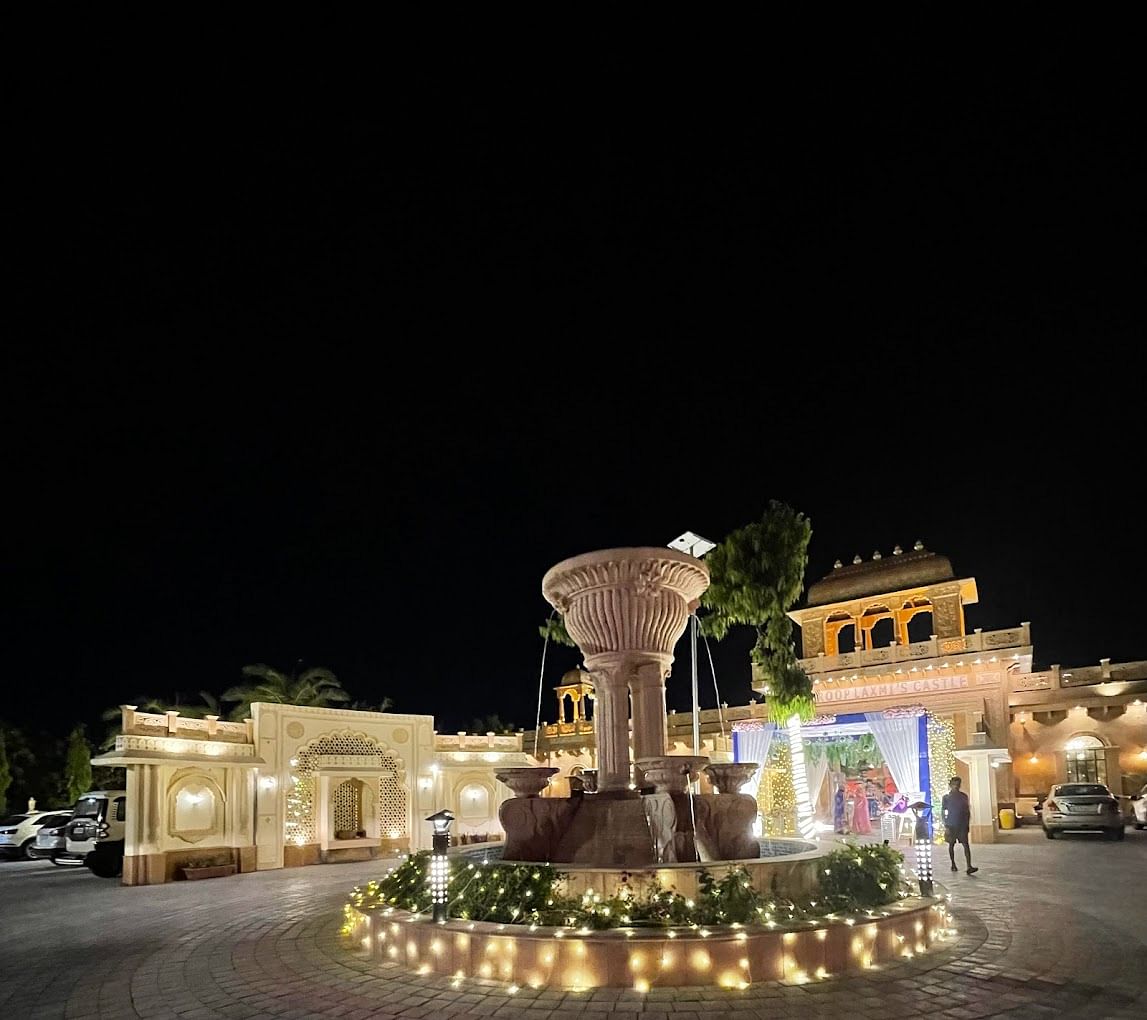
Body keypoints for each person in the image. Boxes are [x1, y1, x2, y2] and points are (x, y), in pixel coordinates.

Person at [941, 776, 978, 875]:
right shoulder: (946, 798)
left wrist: (967, 823)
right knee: (951, 845)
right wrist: (946, 825)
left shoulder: (964, 796)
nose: (956, 787)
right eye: (954, 784)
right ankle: (953, 863)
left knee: (966, 845)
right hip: (951, 825)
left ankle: (969, 865)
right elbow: (943, 812)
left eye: (958, 785)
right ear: (950, 785)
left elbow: (967, 811)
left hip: (962, 825)